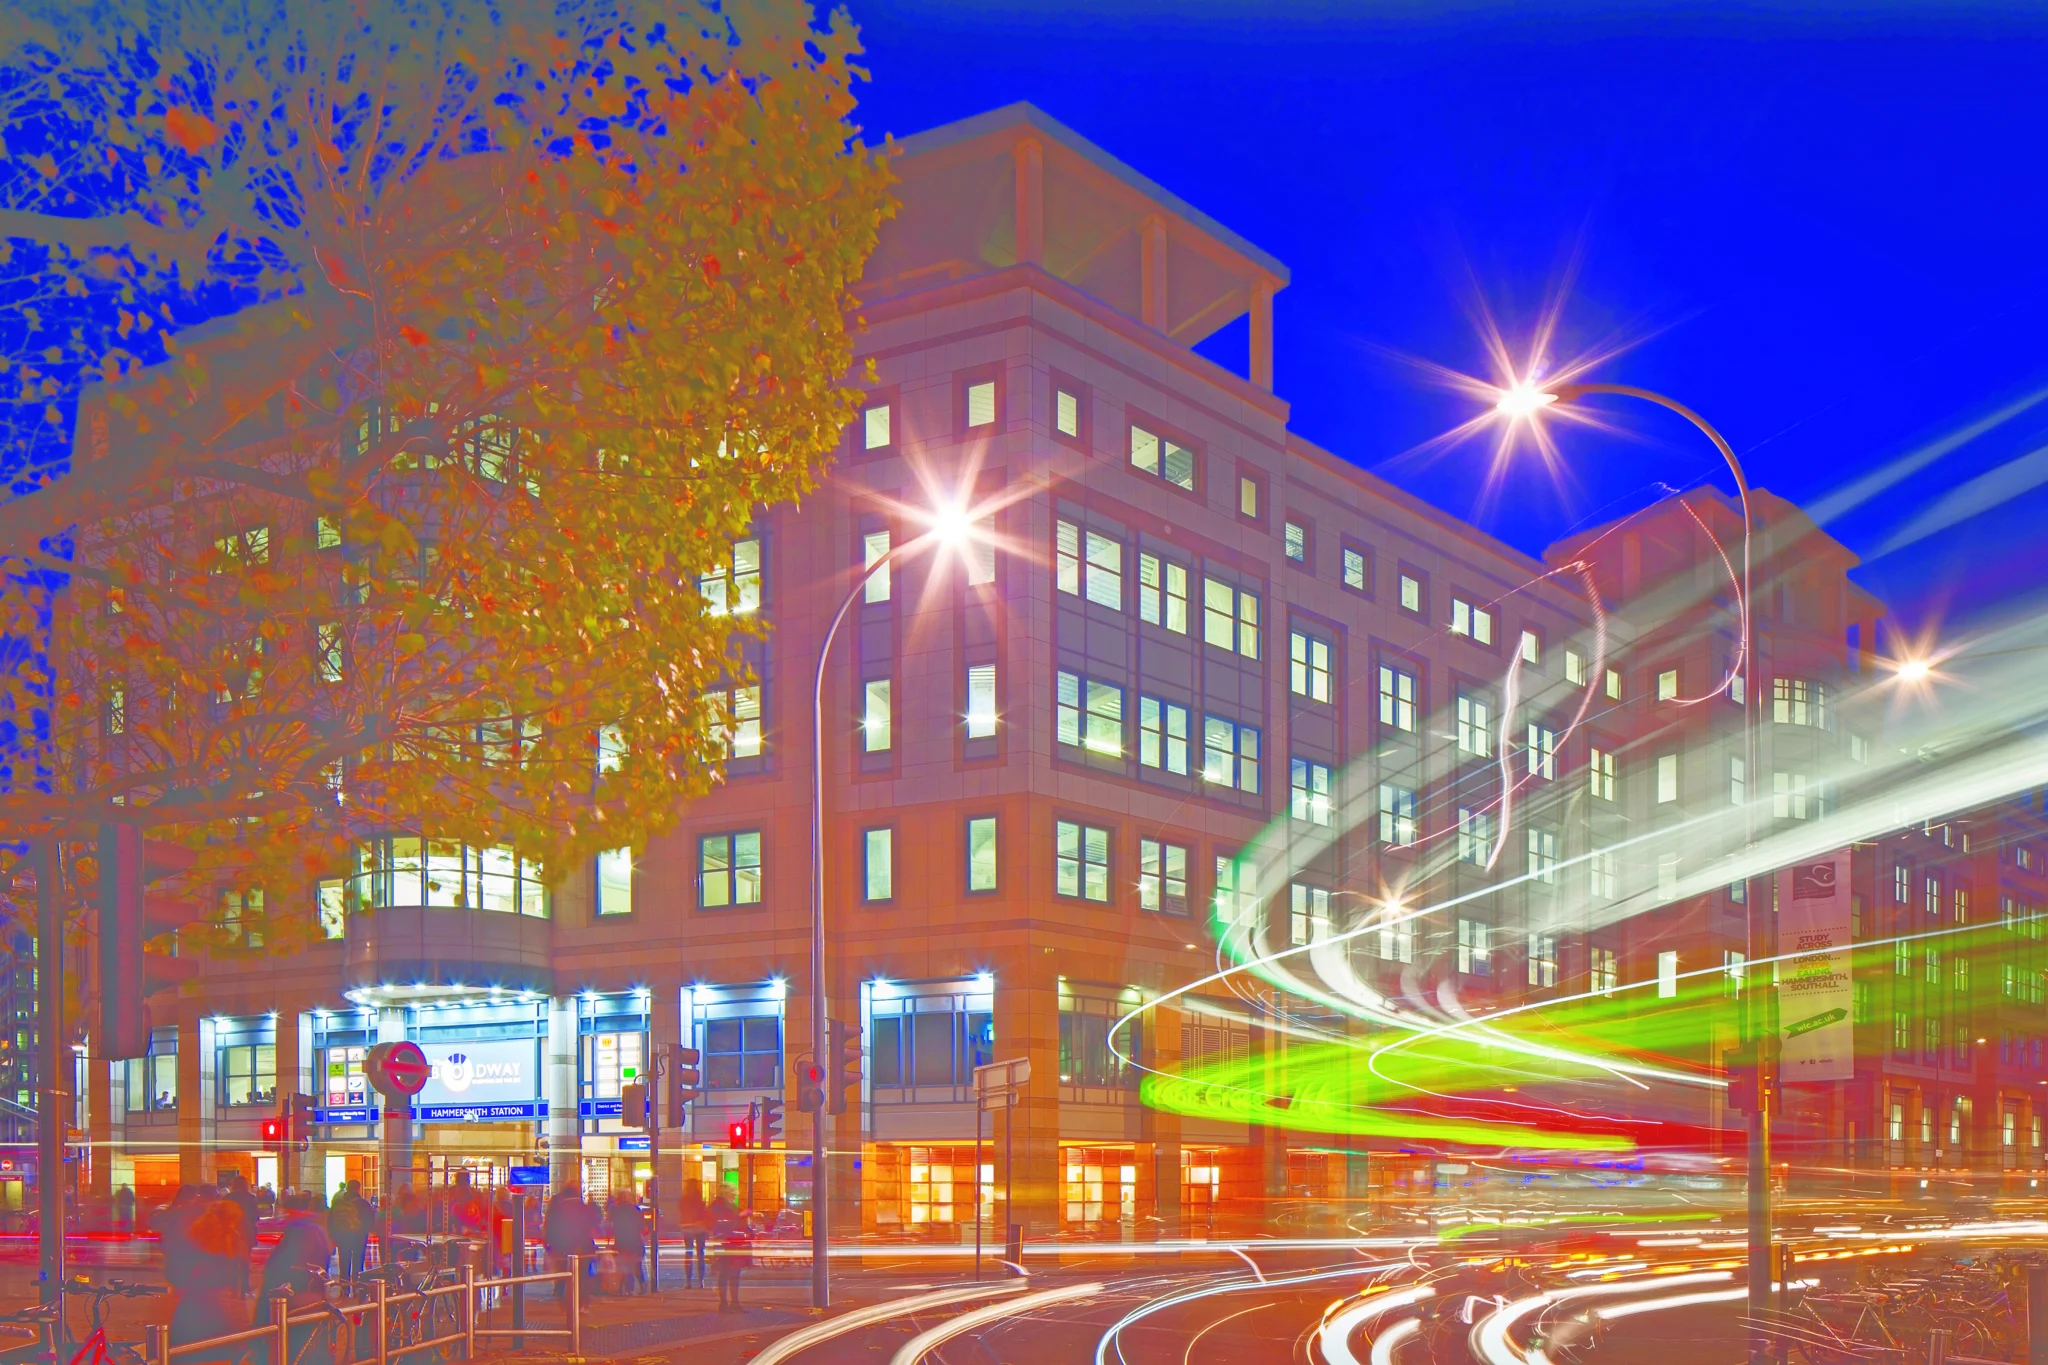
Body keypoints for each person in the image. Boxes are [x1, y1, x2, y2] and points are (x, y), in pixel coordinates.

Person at [169, 1190, 253, 1365]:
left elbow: (181, 1264)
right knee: (220, 1349)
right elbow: (237, 1271)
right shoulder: (232, 1238)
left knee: (188, 1350)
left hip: (194, 1301)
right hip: (217, 1302)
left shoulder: (196, 1233)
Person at [543, 1181, 595, 1299]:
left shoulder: (557, 1207)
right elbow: (590, 1226)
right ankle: (578, 1299)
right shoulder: (582, 1207)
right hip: (582, 1246)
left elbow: (550, 1225)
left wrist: (548, 1244)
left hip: (561, 1245)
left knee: (563, 1272)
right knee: (581, 1275)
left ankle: (561, 1295)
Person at [710, 1192, 748, 1312]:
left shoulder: (715, 1210)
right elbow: (735, 1223)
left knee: (724, 1274)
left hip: (721, 1245)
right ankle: (733, 1302)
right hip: (730, 1245)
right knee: (733, 1274)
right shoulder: (728, 1210)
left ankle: (724, 1303)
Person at [328, 1180, 370, 1285]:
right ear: (358, 1188)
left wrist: (334, 1236)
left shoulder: (338, 1203)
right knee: (358, 1263)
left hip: (343, 1237)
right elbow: (370, 1222)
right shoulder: (363, 1203)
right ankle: (358, 1286)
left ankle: (344, 1287)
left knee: (344, 1263)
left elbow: (331, 1220)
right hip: (359, 1237)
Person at [608, 1192, 646, 1295]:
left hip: (622, 1241)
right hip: (635, 1241)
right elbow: (641, 1226)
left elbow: (610, 1226)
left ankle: (625, 1289)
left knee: (624, 1266)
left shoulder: (615, 1210)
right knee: (637, 1266)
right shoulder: (636, 1210)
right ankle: (641, 1286)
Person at [677, 1182, 709, 1289]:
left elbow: (681, 1213)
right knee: (700, 1254)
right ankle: (700, 1281)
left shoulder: (684, 1201)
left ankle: (688, 1281)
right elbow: (704, 1214)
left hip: (688, 1228)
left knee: (689, 1253)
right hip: (699, 1228)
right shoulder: (699, 1200)